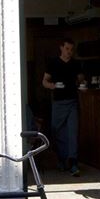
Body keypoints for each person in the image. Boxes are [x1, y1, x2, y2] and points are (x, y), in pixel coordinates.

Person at [42, 38, 85, 176]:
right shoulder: (53, 63)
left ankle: (73, 162)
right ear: (61, 48)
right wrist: (54, 86)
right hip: (58, 102)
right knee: (58, 132)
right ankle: (61, 159)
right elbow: (44, 82)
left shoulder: (75, 64)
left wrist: (82, 84)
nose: (69, 52)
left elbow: (80, 79)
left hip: (72, 101)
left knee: (73, 131)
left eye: (71, 49)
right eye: (67, 49)